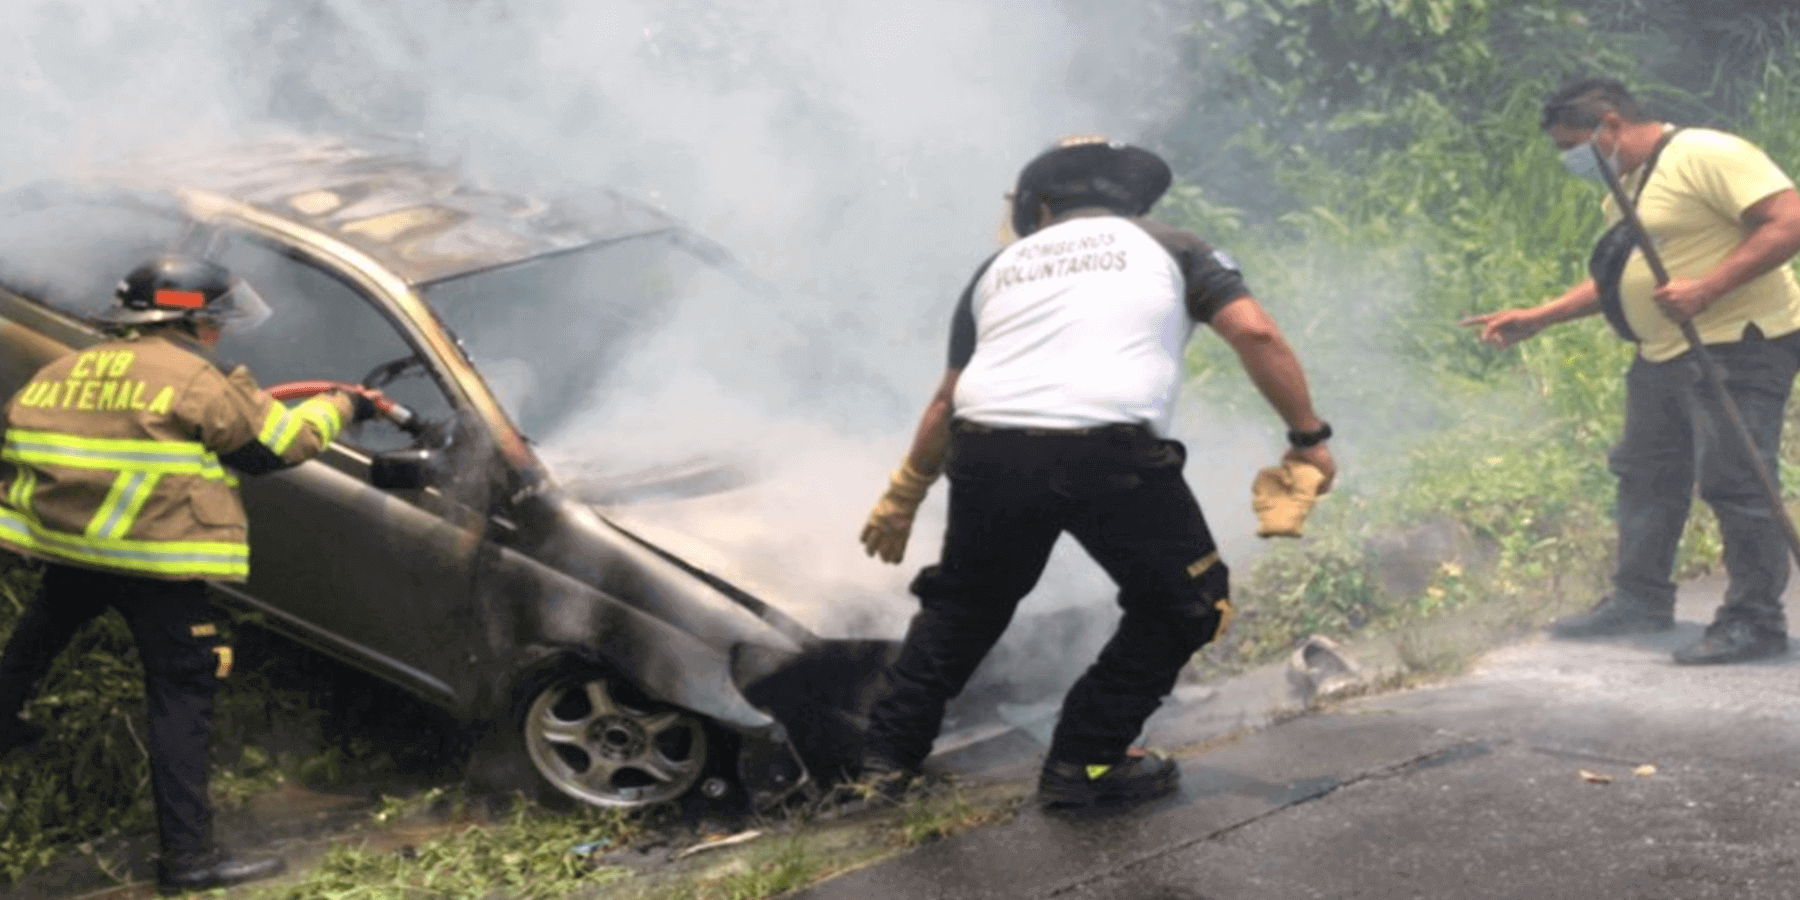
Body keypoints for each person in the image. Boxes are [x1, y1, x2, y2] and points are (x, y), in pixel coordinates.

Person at [857, 135, 1336, 809]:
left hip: (986, 450)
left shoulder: (999, 267)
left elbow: (946, 397)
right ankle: (1087, 759)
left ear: (1042, 206)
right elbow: (1256, 334)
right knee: (1188, 604)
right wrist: (1308, 439)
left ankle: (878, 773)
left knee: (964, 608)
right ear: (1130, 201)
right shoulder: (1172, 244)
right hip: (1107, 454)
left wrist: (904, 494)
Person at [0, 255, 380, 893]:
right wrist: (339, 407)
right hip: (156, 560)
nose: (219, 333)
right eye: (214, 321)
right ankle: (190, 860)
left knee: (35, 641)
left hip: (76, 546)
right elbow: (275, 448)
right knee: (182, 695)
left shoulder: (66, 368)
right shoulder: (192, 377)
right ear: (190, 321)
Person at [1466, 78, 1800, 665]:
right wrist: (1541, 316)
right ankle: (1639, 599)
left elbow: (1789, 220)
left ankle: (1755, 620)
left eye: (1574, 144)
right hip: (1664, 351)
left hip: (1737, 346)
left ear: (1611, 125)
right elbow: (1625, 274)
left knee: (1737, 480)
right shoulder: (1628, 185)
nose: (1570, 159)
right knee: (1644, 474)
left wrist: (1708, 288)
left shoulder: (1706, 155)